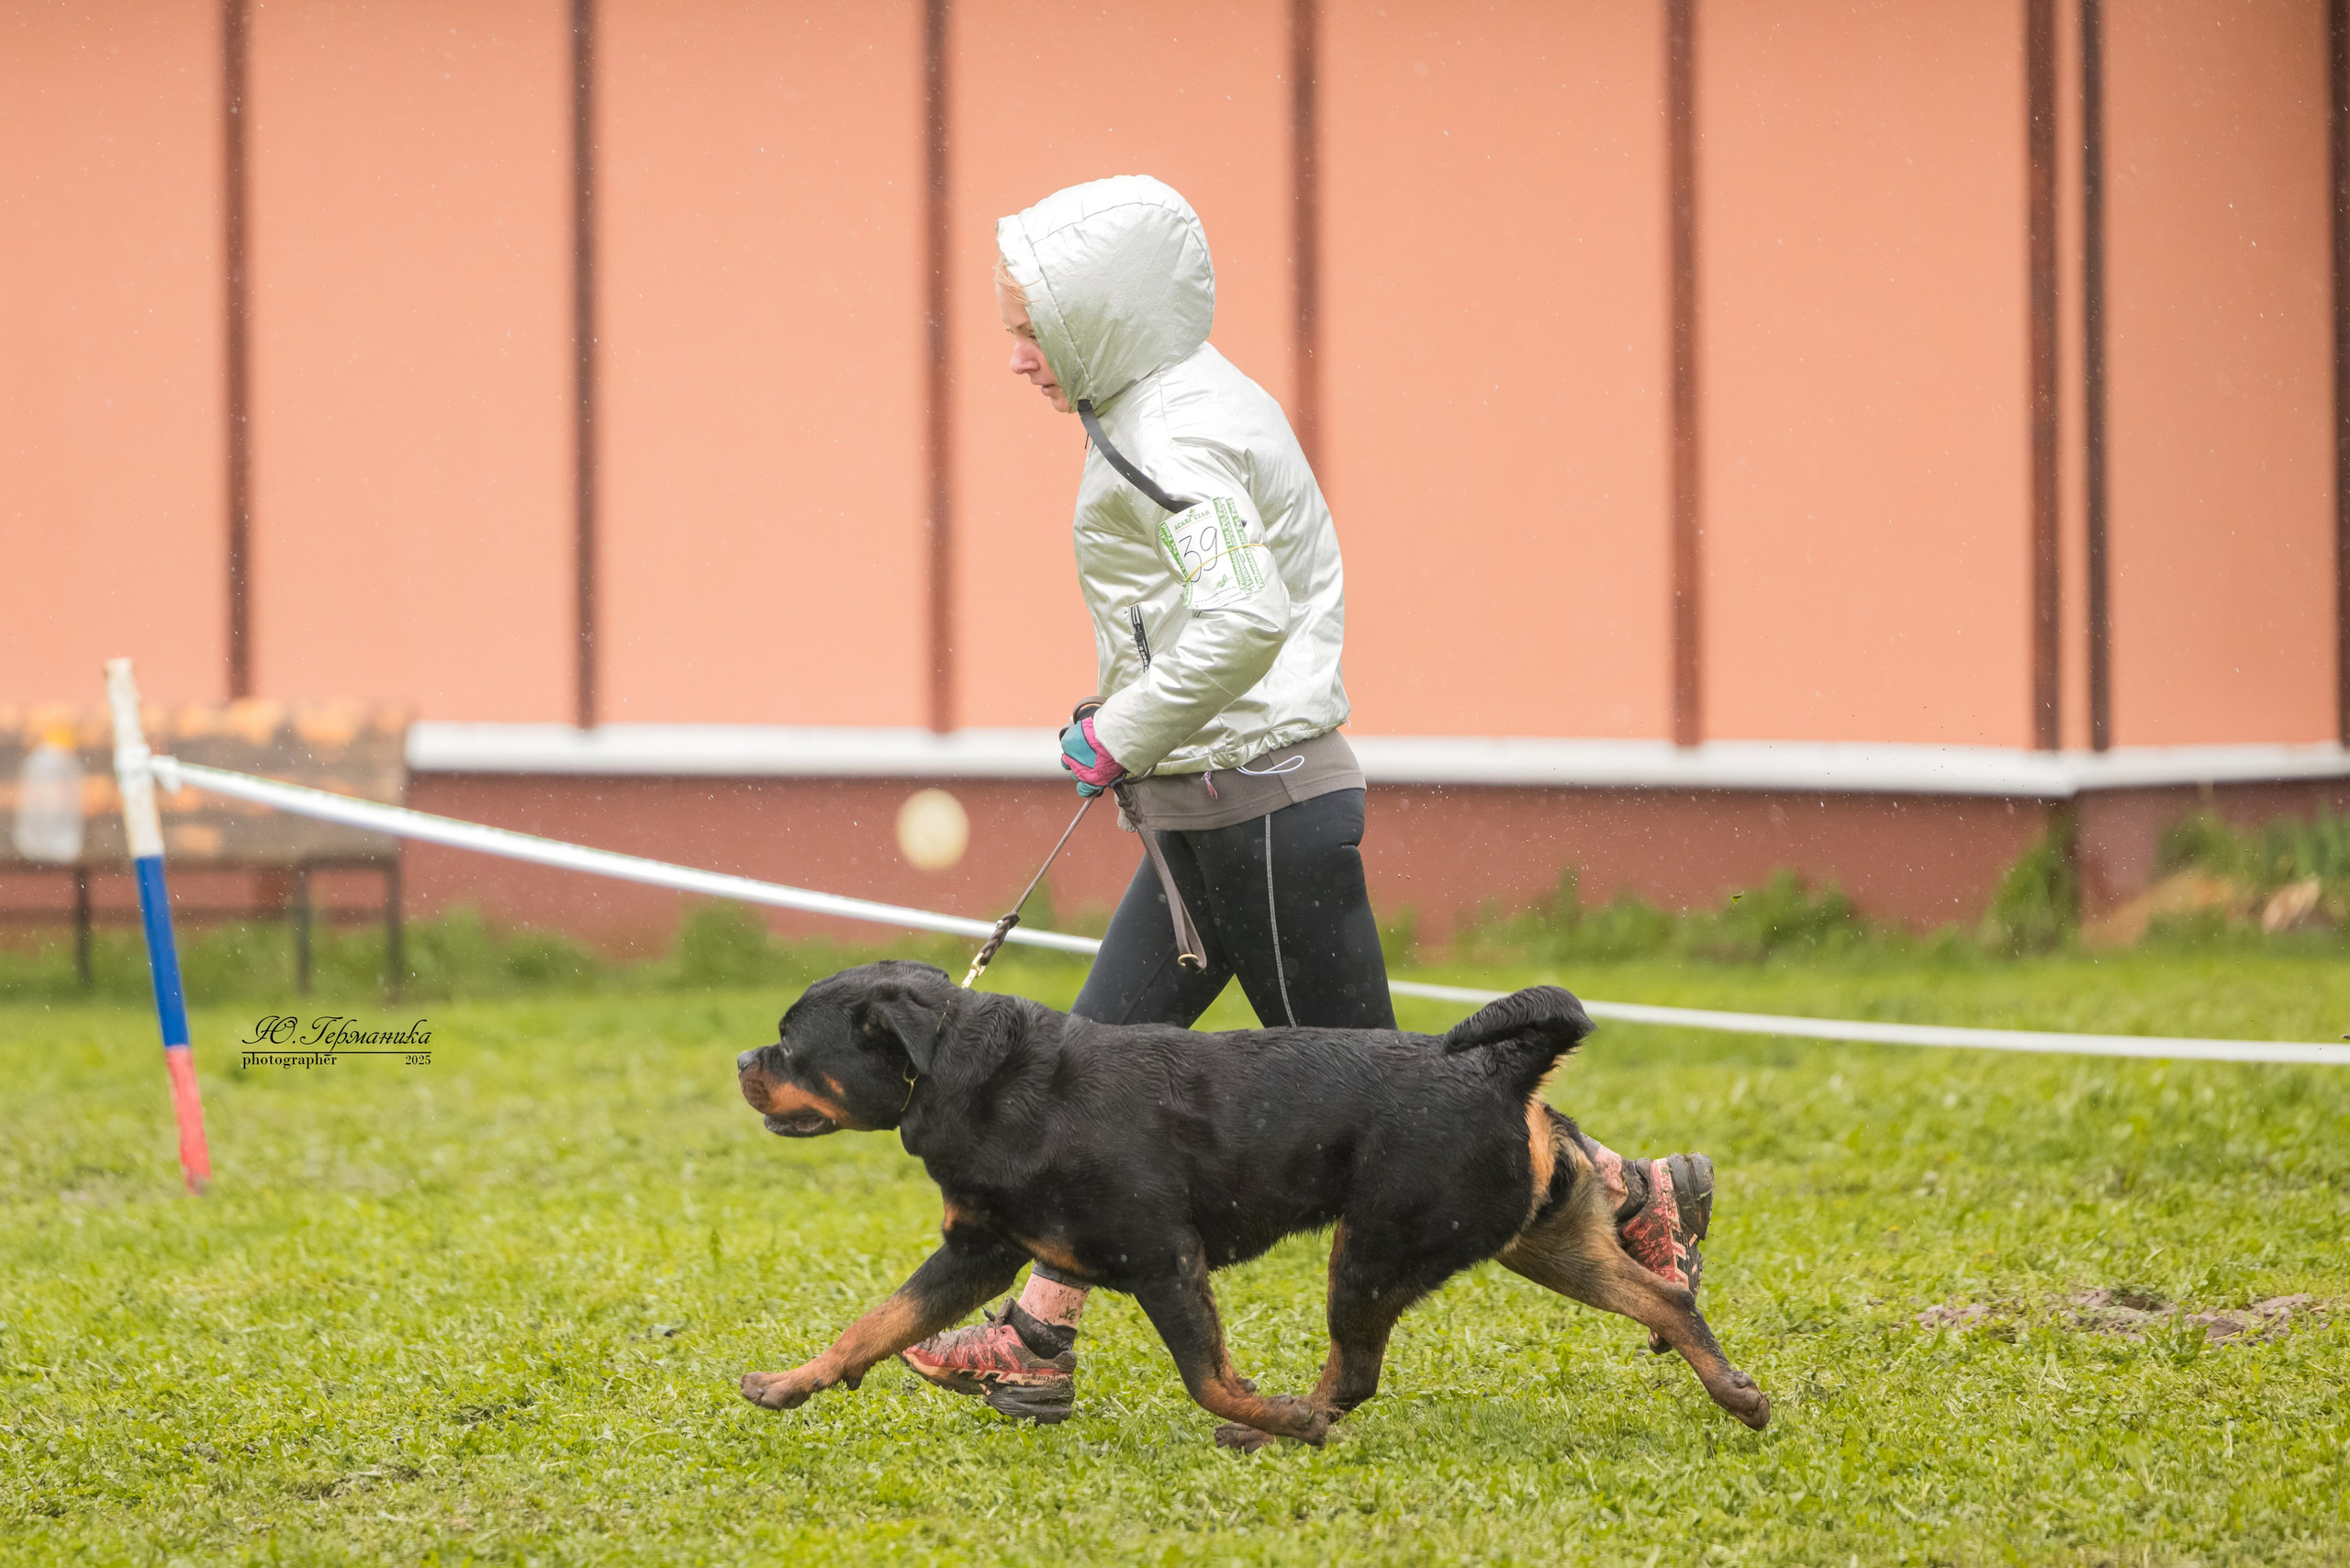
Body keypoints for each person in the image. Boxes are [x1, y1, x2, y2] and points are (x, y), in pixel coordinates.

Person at [899, 175, 1714, 1423]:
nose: (1015, 357)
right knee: (1082, 1083)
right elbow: (1195, 615)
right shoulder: (1174, 402)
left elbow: (1240, 615)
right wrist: (1123, 713)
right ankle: (1035, 1337)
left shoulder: (1169, 434)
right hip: (1208, 808)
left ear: (1106, 320)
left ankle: (1630, 1189)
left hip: (1257, 814)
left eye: (1035, 328)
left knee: (1426, 1104)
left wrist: (1119, 730)